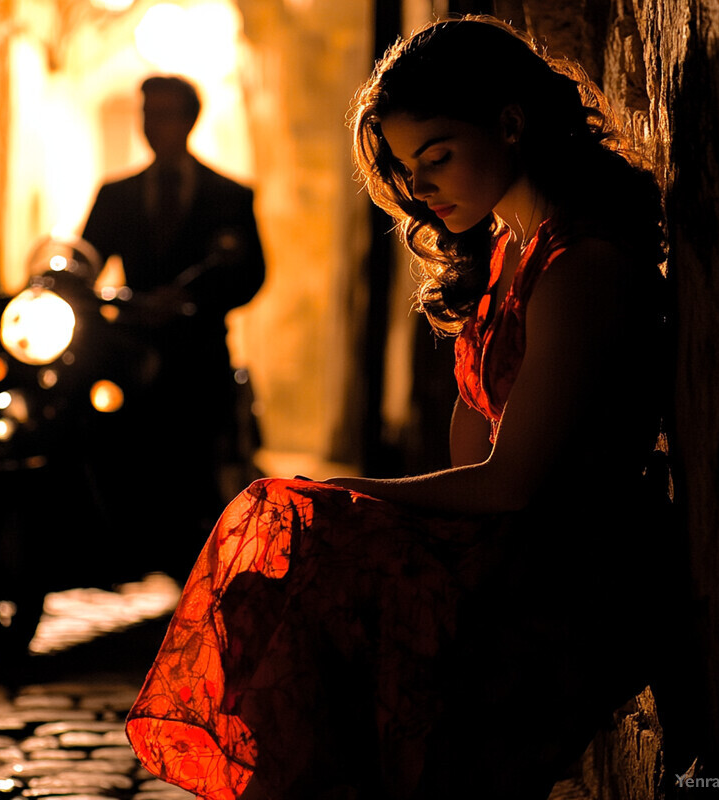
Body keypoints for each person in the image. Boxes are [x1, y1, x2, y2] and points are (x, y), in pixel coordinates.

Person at [125, 17, 670, 799]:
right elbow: (466, 450)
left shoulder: (582, 265)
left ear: (511, 124)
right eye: (410, 168)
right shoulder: (504, 255)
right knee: (279, 574)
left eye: (438, 157)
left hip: (564, 569)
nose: (420, 188)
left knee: (287, 525)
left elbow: (507, 483)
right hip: (501, 547)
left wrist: (344, 495)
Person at [81, 75, 266, 572]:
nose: (153, 124)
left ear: (189, 120)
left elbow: (252, 275)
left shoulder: (230, 195)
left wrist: (193, 300)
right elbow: (85, 261)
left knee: (198, 455)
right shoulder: (115, 194)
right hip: (130, 351)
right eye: (147, 112)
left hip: (197, 351)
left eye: (165, 113)